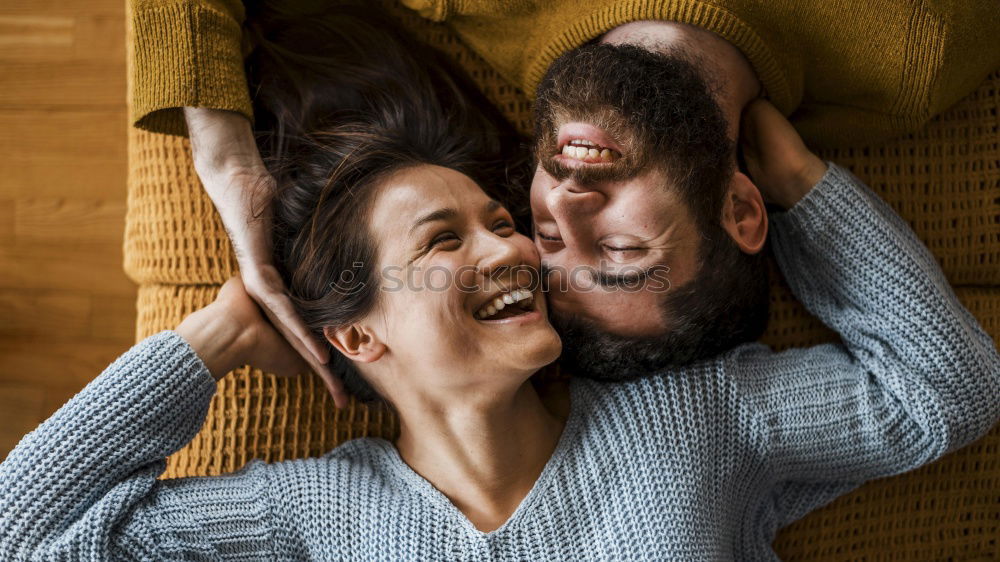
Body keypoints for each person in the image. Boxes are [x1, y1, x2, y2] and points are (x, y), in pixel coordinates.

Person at [2, 6, 998, 560]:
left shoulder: (688, 424)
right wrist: (212, 337)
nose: (519, 246)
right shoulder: (309, 516)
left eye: (502, 222)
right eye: (448, 238)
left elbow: (941, 390)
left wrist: (779, 174)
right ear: (354, 335)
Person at [126, 0, 1000, 391]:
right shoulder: (910, 50)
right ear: (741, 209)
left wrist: (225, 151)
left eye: (536, 232)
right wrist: (803, 181)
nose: (569, 206)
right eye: (621, 252)